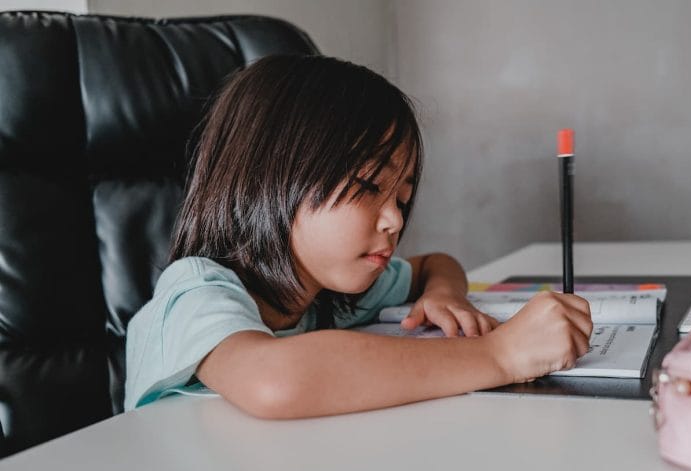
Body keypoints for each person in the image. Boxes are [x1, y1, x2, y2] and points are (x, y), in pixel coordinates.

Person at [124, 55, 593, 417]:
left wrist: (445, 295)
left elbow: (434, 264)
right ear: (272, 178)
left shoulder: (329, 293)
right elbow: (275, 381)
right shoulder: (196, 294)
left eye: (403, 198)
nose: (393, 220)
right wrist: (500, 354)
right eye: (369, 187)